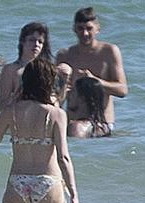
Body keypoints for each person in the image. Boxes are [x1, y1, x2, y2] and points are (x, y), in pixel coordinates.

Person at [0, 58, 80, 203]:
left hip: (17, 184)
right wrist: (74, 195)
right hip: (48, 183)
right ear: (49, 82)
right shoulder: (56, 114)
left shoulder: (12, 111)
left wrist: (10, 104)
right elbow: (63, 157)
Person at [55, 7, 127, 138]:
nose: (85, 33)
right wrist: (64, 86)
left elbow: (122, 90)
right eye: (80, 29)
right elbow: (55, 97)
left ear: (97, 28)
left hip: (101, 123)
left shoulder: (109, 52)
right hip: (72, 122)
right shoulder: (64, 56)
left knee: (76, 130)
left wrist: (96, 82)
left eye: (89, 28)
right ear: (74, 29)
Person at [0, 22, 70, 111]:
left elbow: (58, 103)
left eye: (40, 42)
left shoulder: (47, 70)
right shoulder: (11, 70)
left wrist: (65, 80)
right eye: (32, 40)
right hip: (21, 116)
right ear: (22, 41)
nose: (36, 44)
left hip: (44, 117)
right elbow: (3, 105)